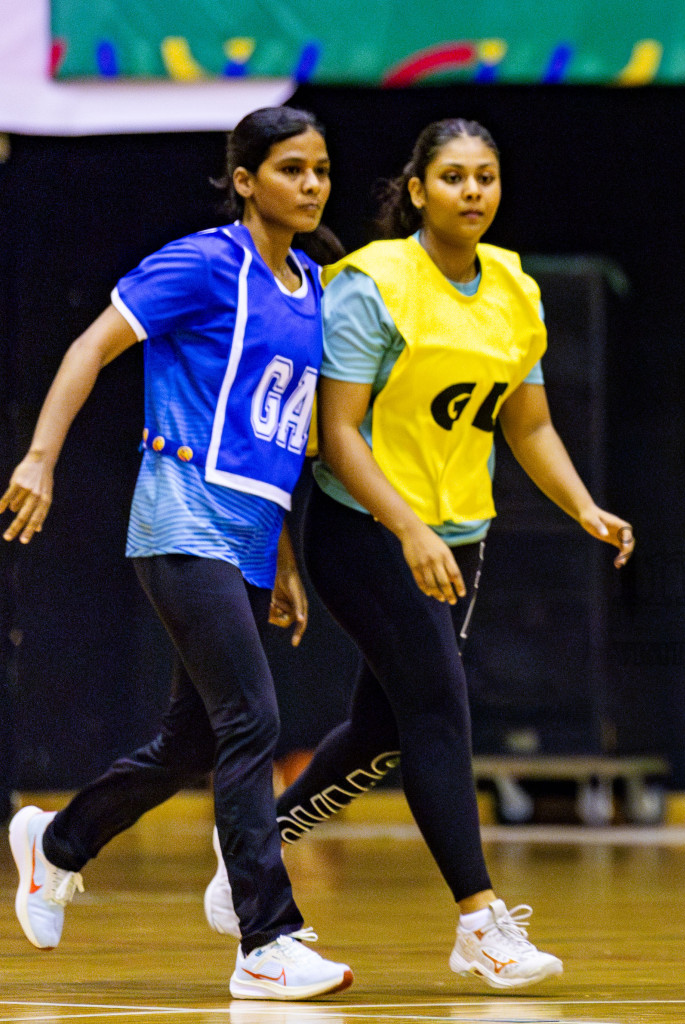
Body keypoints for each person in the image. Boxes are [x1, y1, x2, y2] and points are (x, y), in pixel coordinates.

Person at [203, 118, 635, 992]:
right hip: (367, 529)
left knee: (383, 729)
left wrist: (584, 504)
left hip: (458, 535)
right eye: (454, 177)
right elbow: (340, 433)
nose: (473, 192)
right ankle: (479, 921)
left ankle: (255, 842)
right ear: (418, 190)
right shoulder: (376, 282)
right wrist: (406, 527)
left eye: (487, 176)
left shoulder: (513, 285)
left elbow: (531, 422)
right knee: (440, 707)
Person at [3, 106, 352, 1000]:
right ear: (245, 179)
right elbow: (93, 347)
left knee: (192, 739)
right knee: (253, 723)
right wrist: (41, 458)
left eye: (319, 169)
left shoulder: (311, 283)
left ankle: (59, 844)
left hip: (246, 535)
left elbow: (274, 432)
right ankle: (265, 939)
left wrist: (285, 565)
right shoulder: (202, 264)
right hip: (181, 518)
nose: (310, 184)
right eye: (290, 170)